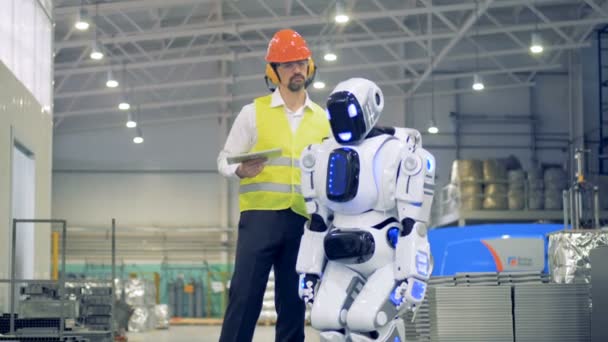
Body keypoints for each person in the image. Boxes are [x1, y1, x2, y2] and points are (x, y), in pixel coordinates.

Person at [295, 78, 435, 341]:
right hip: (339, 257)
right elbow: (316, 222)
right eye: (334, 115)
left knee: (367, 322)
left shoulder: (399, 152)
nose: (342, 122)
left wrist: (412, 276)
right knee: (325, 322)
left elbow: (412, 224)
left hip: (385, 259)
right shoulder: (321, 154)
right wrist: (309, 272)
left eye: (347, 113)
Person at [216, 28, 330, 342]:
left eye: (300, 62)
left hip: (303, 223)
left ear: (310, 65)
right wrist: (240, 169)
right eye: (287, 64)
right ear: (273, 72)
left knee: (293, 304)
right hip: (259, 220)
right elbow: (223, 159)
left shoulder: (323, 120)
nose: (296, 69)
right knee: (244, 298)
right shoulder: (253, 114)